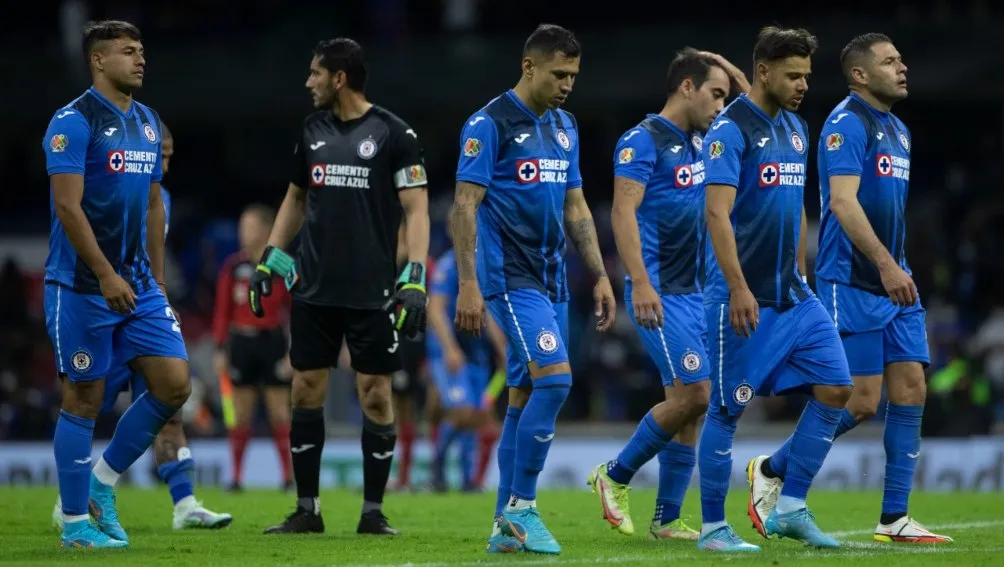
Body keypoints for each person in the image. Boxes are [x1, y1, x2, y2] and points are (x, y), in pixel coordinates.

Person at [748, 33, 952, 544]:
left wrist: (896, 267)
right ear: (859, 74)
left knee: (912, 389)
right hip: (854, 280)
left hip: (895, 279)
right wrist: (885, 265)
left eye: (902, 58)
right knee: (861, 401)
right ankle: (773, 470)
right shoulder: (846, 124)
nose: (902, 67)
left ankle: (894, 518)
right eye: (889, 61)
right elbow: (842, 203)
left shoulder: (899, 130)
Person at [450, 23, 616, 555]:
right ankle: (523, 509)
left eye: (574, 75)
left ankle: (504, 524)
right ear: (529, 66)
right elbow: (464, 205)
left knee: (522, 397)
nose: (568, 85)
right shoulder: (489, 123)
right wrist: (469, 284)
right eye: (559, 74)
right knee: (556, 381)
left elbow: (576, 208)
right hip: (509, 278)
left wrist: (600, 275)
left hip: (552, 281)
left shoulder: (565, 125)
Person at [254, 37, 429, 536]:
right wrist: (271, 257)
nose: (308, 82)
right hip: (313, 288)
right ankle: (307, 509)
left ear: (339, 78)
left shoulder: (395, 134)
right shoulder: (311, 129)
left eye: (315, 73)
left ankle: (373, 513)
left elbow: (416, 209)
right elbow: (294, 196)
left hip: (373, 291)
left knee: (376, 395)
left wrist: (414, 275)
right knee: (304, 389)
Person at [697, 26, 852, 552]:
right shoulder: (729, 130)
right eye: (794, 75)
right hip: (741, 296)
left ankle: (788, 507)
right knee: (726, 410)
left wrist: (802, 272)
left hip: (793, 294)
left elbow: (796, 207)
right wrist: (739, 288)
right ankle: (713, 529)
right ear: (764, 72)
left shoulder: (796, 127)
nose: (804, 84)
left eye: (807, 75)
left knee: (836, 387)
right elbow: (716, 213)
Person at [42, 20, 191, 548]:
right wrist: (105, 274)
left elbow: (154, 204)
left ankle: (102, 484)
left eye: (142, 50)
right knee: (84, 397)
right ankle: (77, 525)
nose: (141, 59)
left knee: (175, 384)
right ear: (99, 61)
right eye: (129, 51)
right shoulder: (73, 122)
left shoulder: (149, 122)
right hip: (81, 285)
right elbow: (67, 204)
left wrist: (157, 279)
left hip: (138, 284)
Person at [588, 48, 745, 541]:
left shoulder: (704, 141)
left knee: (691, 405)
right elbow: (622, 213)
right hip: (660, 291)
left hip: (695, 292)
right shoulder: (643, 140)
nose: (723, 105)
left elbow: (753, 106)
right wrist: (641, 283)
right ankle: (613, 475)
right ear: (686, 88)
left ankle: (667, 518)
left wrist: (726, 70)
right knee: (698, 394)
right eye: (715, 94)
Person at [51, 123, 231, 532]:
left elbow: (151, 258)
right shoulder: (107, 184)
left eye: (168, 156)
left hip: (143, 310)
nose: (162, 162)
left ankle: (184, 504)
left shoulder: (158, 196)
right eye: (159, 153)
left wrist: (160, 298)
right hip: (102, 313)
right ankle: (73, 500)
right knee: (86, 403)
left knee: (172, 402)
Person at [212, 204, 294, 492]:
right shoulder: (233, 266)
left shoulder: (281, 265)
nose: (243, 233)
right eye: (241, 227)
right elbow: (222, 311)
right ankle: (236, 477)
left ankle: (288, 477)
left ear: (265, 229)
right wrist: (220, 350)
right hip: (242, 343)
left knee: (279, 414)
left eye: (248, 227)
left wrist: (291, 352)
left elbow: (295, 309)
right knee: (241, 414)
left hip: (272, 342)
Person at [425, 240, 507, 492]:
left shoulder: (483, 265)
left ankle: (467, 480)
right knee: (462, 411)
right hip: (451, 353)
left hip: (477, 353)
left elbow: (489, 312)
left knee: (476, 416)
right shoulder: (448, 265)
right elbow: (435, 310)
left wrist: (502, 349)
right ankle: (437, 466)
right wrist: (450, 348)